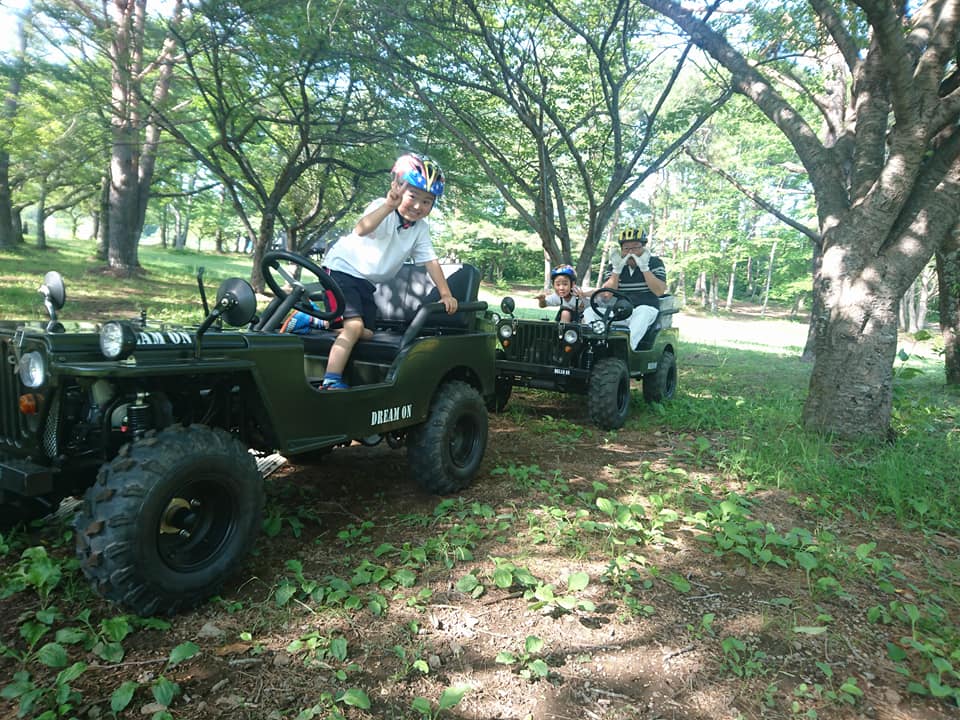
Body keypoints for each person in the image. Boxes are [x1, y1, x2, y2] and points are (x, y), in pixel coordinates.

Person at [286, 153, 459, 389]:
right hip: (342, 270)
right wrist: (389, 206)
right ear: (397, 187)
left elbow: (430, 260)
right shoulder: (382, 207)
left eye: (427, 201)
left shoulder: (420, 229)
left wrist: (446, 294)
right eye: (412, 196)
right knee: (354, 327)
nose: (418, 206)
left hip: (365, 283)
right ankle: (331, 380)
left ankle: (316, 320)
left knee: (366, 332)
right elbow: (361, 229)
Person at [583, 228, 667, 348]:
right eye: (626, 248)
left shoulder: (655, 263)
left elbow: (659, 291)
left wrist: (644, 267)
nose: (631, 252)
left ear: (643, 248)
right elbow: (607, 295)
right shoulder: (614, 265)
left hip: (646, 310)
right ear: (621, 250)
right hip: (620, 312)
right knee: (589, 312)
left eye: (636, 247)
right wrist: (616, 269)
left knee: (642, 311)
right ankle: (595, 344)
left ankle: (626, 349)